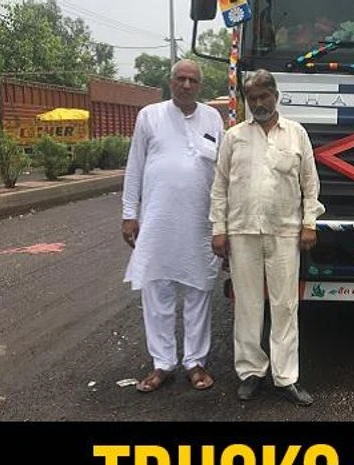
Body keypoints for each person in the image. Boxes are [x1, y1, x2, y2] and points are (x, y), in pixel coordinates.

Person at [210, 69, 325, 407]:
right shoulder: (234, 137)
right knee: (247, 306)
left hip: (285, 231)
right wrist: (219, 229)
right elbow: (219, 188)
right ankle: (250, 373)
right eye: (253, 98)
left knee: (285, 306)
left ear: (276, 95)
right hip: (242, 231)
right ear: (247, 101)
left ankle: (286, 377)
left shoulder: (296, 134)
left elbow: (310, 183)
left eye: (264, 96)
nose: (259, 103)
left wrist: (309, 223)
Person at [121, 59, 225, 393]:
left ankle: (195, 362)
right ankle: (162, 364)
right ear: (170, 82)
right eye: (180, 79)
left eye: (192, 80)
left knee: (199, 292)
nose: (186, 85)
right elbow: (135, 166)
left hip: (200, 223)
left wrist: (224, 222)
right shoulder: (149, 116)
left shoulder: (212, 118)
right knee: (157, 291)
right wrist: (129, 213)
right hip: (157, 222)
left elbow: (223, 174)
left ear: (200, 86)